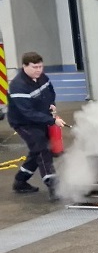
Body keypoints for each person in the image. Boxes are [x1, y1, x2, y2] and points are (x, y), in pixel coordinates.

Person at [7, 51, 66, 200]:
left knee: (36, 151)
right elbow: (27, 113)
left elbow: (50, 91)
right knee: (42, 148)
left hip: (41, 118)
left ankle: (20, 181)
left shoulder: (42, 77)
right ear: (24, 66)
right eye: (34, 67)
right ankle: (53, 185)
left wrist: (51, 103)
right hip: (24, 123)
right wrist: (52, 121)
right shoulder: (18, 86)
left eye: (40, 66)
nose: (38, 70)